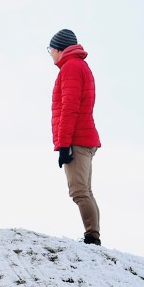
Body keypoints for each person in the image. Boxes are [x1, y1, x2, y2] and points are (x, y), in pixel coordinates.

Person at [49, 28, 102, 245]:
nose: (50, 54)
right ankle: (93, 235)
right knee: (85, 190)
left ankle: (92, 238)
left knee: (79, 191)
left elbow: (69, 109)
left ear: (59, 48)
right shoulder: (78, 66)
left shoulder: (71, 67)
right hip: (83, 137)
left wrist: (64, 145)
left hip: (77, 139)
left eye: (50, 49)